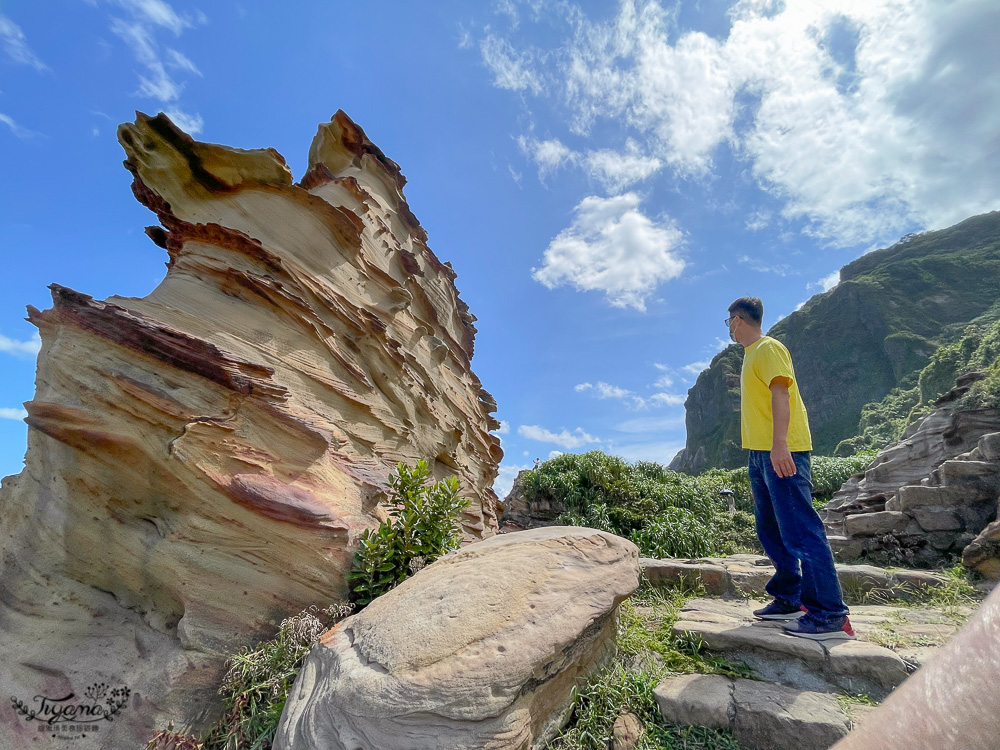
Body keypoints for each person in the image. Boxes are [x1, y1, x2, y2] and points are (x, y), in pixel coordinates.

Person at [726, 296, 853, 640]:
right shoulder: (752, 354)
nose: (730, 330)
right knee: (771, 530)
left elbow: (781, 394)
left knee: (800, 531)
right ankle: (790, 597)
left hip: (782, 450)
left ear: (737, 320)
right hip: (759, 454)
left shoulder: (768, 348)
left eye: (729, 323)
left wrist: (780, 445)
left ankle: (830, 615)